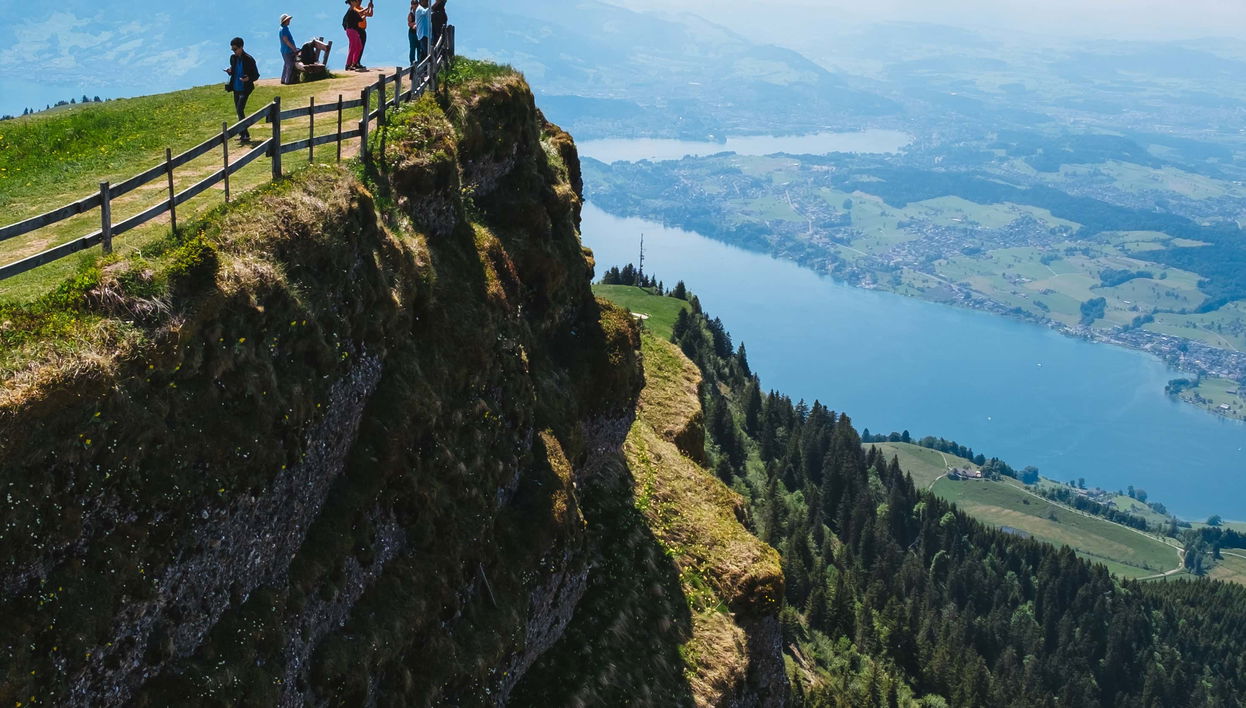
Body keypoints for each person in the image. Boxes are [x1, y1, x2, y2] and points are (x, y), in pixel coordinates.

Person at [223, 37, 259, 141]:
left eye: (235, 49)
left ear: (241, 47)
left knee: (239, 109)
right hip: (236, 88)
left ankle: (244, 134)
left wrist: (248, 78)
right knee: (239, 111)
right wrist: (230, 71)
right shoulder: (233, 58)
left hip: (245, 88)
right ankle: (244, 134)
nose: (234, 51)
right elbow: (234, 71)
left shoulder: (249, 59)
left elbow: (256, 75)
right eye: (232, 49)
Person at [343, 0, 375, 71]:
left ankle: (354, 63)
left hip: (355, 31)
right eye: (356, 1)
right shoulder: (353, 9)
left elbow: (363, 17)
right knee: (354, 47)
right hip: (354, 30)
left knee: (358, 46)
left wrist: (370, 8)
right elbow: (360, 13)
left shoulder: (356, 9)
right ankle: (350, 64)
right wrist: (368, 7)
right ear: (352, 2)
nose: (359, 1)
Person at [409, 0, 430, 66]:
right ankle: (412, 63)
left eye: (415, 3)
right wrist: (416, 24)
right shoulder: (412, 13)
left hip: (419, 32)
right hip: (414, 33)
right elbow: (409, 23)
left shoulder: (419, 10)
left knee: (419, 49)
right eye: (413, 3)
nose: (414, 5)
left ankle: (419, 63)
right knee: (413, 48)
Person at [279, 14, 298, 84]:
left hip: (284, 50)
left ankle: (283, 79)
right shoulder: (284, 29)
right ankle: (288, 81)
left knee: (286, 64)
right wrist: (294, 49)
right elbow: (286, 41)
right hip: (287, 50)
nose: (289, 21)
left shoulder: (283, 28)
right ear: (285, 21)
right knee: (290, 65)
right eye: (288, 20)